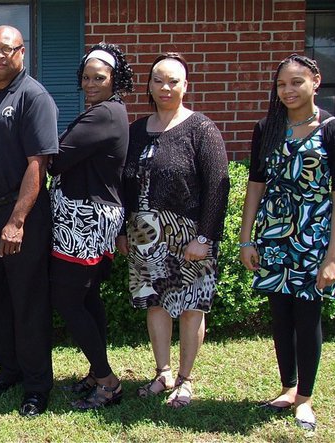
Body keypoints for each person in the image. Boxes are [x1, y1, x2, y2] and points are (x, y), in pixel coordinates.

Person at [238, 54, 335, 432]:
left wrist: (333, 256)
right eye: (281, 84)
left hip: (313, 240)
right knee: (281, 316)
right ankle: (287, 388)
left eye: (296, 82)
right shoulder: (267, 128)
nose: (287, 91)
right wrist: (246, 238)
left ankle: (305, 398)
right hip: (274, 237)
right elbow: (256, 184)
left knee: (307, 317)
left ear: (316, 81)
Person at [117, 53, 229, 408]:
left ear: (185, 86)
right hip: (144, 235)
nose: (165, 87)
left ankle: (186, 378)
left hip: (189, 235)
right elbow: (123, 185)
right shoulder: (136, 131)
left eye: (173, 81)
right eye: (158, 80)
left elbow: (218, 185)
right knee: (156, 304)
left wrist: (206, 238)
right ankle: (163, 372)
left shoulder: (201, 128)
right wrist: (122, 229)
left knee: (192, 305)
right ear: (149, 85)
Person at [0, 25, 58, 417]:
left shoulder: (34, 97)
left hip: (21, 218)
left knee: (28, 301)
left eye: (8, 49)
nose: (0, 56)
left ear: (22, 52)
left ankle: (37, 385)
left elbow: (38, 164)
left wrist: (16, 221)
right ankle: (9, 369)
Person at [48, 43, 132, 410]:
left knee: (66, 298)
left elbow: (57, 159)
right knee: (87, 296)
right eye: (86, 77)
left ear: (115, 79)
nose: (91, 83)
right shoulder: (107, 113)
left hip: (85, 217)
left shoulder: (103, 115)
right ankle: (96, 372)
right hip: (89, 214)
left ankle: (107, 381)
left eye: (100, 77)